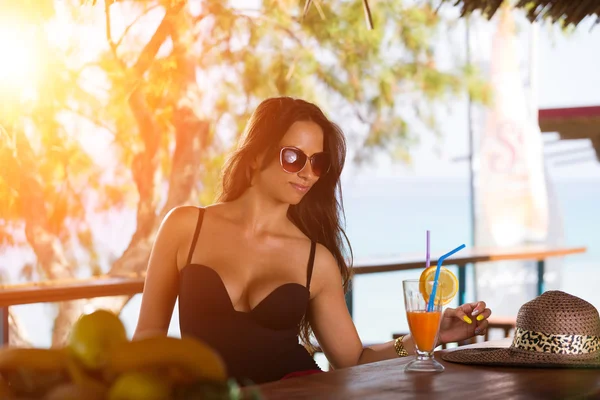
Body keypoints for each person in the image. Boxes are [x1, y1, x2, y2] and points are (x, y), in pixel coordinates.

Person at [133, 97, 492, 384]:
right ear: (257, 155)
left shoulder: (315, 260)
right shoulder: (185, 227)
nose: (307, 172)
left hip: (300, 393)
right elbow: (148, 336)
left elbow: (353, 359)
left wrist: (429, 337)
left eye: (317, 162)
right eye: (293, 157)